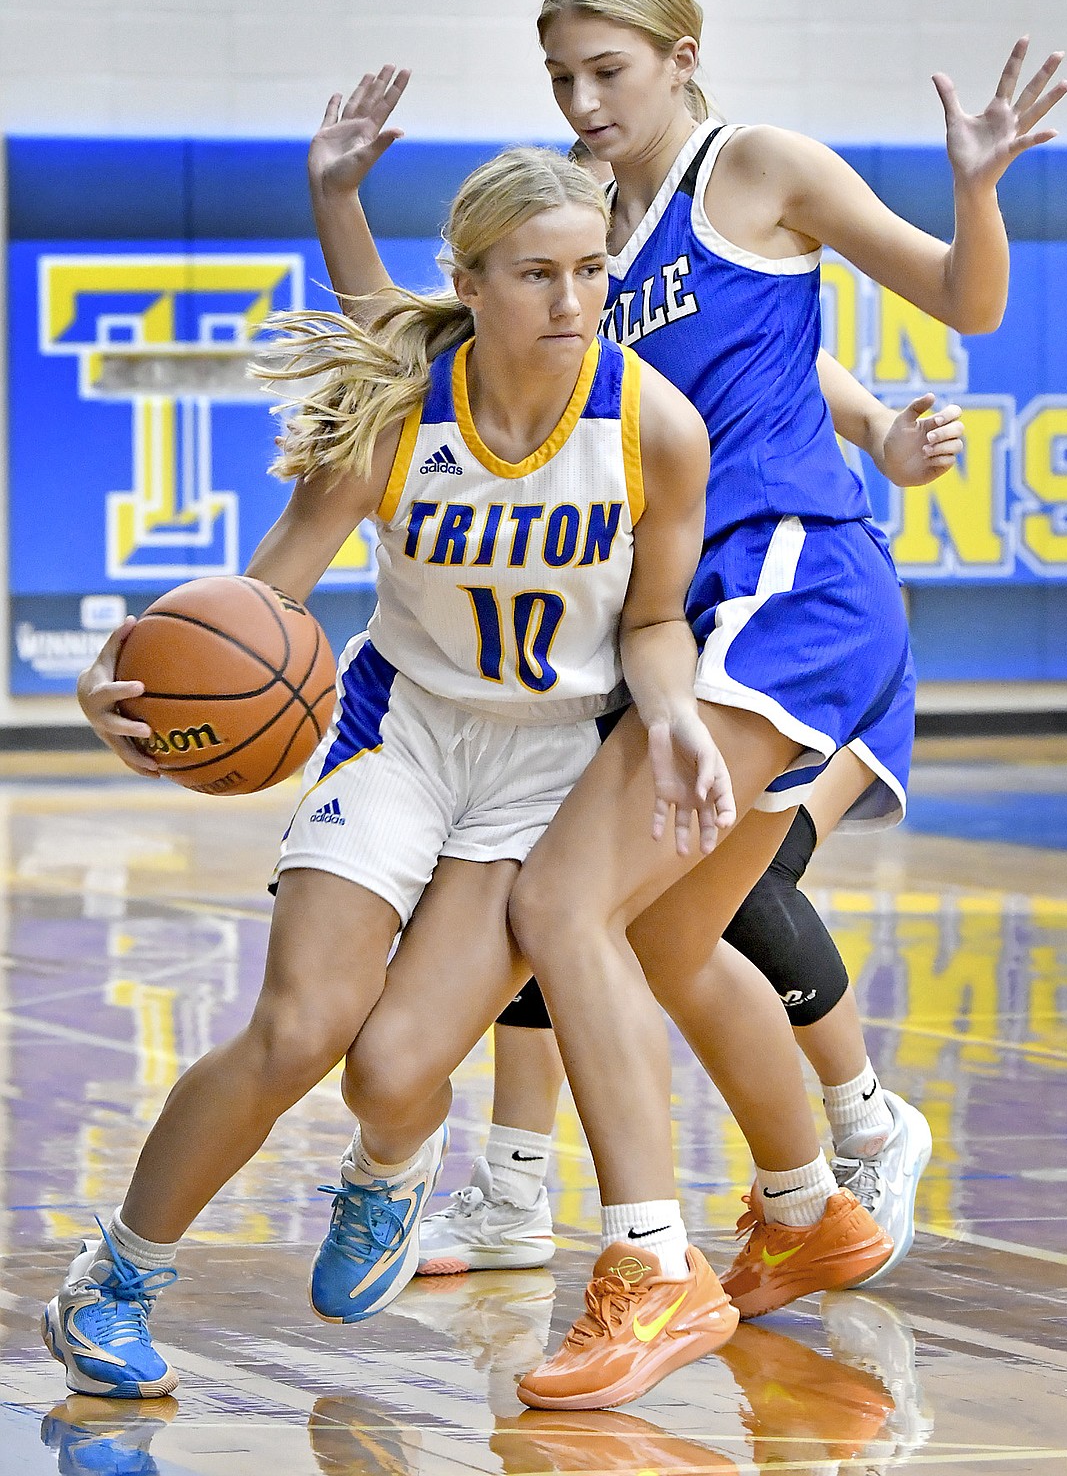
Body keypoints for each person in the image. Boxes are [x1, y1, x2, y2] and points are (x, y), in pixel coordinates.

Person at [43, 144, 742, 1400]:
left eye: (590, 269)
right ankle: (116, 1277)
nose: (571, 300)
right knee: (299, 1026)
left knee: (390, 1068)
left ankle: (390, 1158)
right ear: (468, 283)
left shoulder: (656, 427)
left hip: (545, 765)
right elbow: (261, 597)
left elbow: (650, 621)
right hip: (401, 731)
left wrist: (676, 712)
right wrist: (121, 674)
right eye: (537, 274)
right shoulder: (396, 416)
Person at [502, 0, 1066, 1406]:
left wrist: (981, 189)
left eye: (605, 70)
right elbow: (772, 353)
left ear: (683, 54)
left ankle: (651, 1265)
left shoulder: (757, 167)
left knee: (560, 904)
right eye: (559, 75)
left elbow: (966, 299)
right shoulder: (608, 237)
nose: (579, 100)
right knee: (679, 941)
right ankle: (812, 1213)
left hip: (786, 587)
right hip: (700, 608)